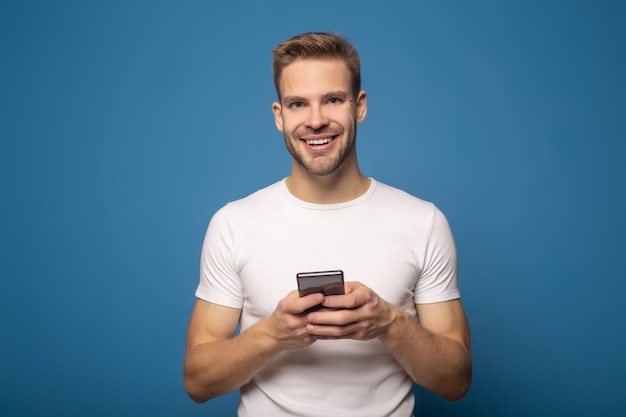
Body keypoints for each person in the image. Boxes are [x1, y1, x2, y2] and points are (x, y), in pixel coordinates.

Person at [183, 32, 471, 417]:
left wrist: (388, 322)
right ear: (279, 115)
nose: (316, 121)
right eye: (298, 104)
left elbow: (455, 382)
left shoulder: (423, 221)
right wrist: (273, 335)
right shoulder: (234, 224)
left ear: (360, 106)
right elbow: (197, 383)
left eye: (333, 100)